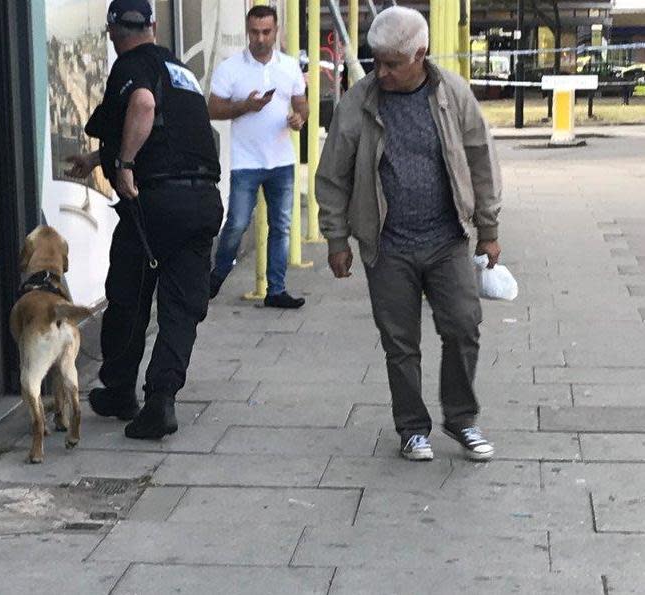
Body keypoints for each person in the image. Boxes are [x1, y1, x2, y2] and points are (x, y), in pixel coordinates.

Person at [316, 7, 502, 462]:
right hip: (388, 245)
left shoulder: (452, 94)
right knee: (400, 342)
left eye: (392, 63)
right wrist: (337, 239)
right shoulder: (358, 103)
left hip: (448, 240)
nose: (381, 71)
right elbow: (333, 175)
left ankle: (461, 420)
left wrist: (489, 229)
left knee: (463, 326)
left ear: (421, 54)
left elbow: (481, 159)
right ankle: (412, 428)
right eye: (376, 61)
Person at [65, 0, 223, 440]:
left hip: (155, 203)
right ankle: (162, 400)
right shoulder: (181, 70)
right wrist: (101, 156)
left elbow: (144, 106)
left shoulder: (131, 66)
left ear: (114, 32)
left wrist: (126, 163)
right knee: (181, 308)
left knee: (129, 296)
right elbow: (170, 128)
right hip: (203, 200)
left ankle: (118, 389)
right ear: (153, 26)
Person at [207, 5, 309, 308]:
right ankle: (216, 276)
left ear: (276, 31)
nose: (261, 38)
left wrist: (298, 119)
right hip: (246, 162)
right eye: (254, 32)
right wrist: (245, 107)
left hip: (281, 160)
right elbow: (213, 109)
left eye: (266, 32)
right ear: (247, 31)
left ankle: (275, 290)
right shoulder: (231, 68)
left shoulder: (289, 66)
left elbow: (302, 104)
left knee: (282, 226)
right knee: (237, 223)